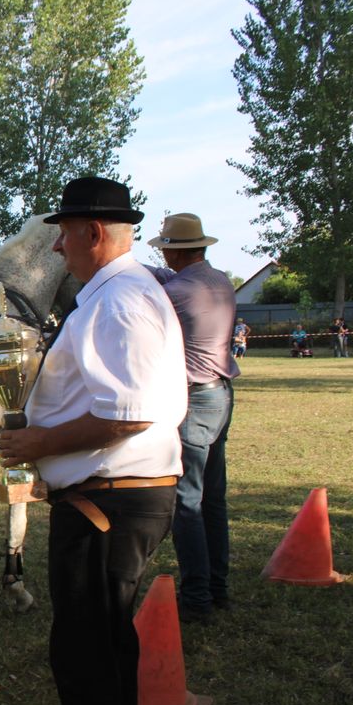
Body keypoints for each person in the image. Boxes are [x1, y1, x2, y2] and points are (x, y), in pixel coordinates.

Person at [0, 177, 186, 705]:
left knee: (87, 657)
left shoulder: (119, 300)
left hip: (110, 501)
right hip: (111, 496)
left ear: (94, 233)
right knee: (98, 649)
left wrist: (39, 441)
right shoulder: (119, 295)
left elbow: (128, 414)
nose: (57, 248)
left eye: (63, 235)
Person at [145, 213, 239, 623]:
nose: (163, 253)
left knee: (187, 504)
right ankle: (216, 587)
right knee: (212, 500)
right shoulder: (215, 280)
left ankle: (197, 597)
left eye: (165, 247)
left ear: (178, 250)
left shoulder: (177, 292)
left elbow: (154, 292)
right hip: (219, 395)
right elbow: (163, 277)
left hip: (194, 400)